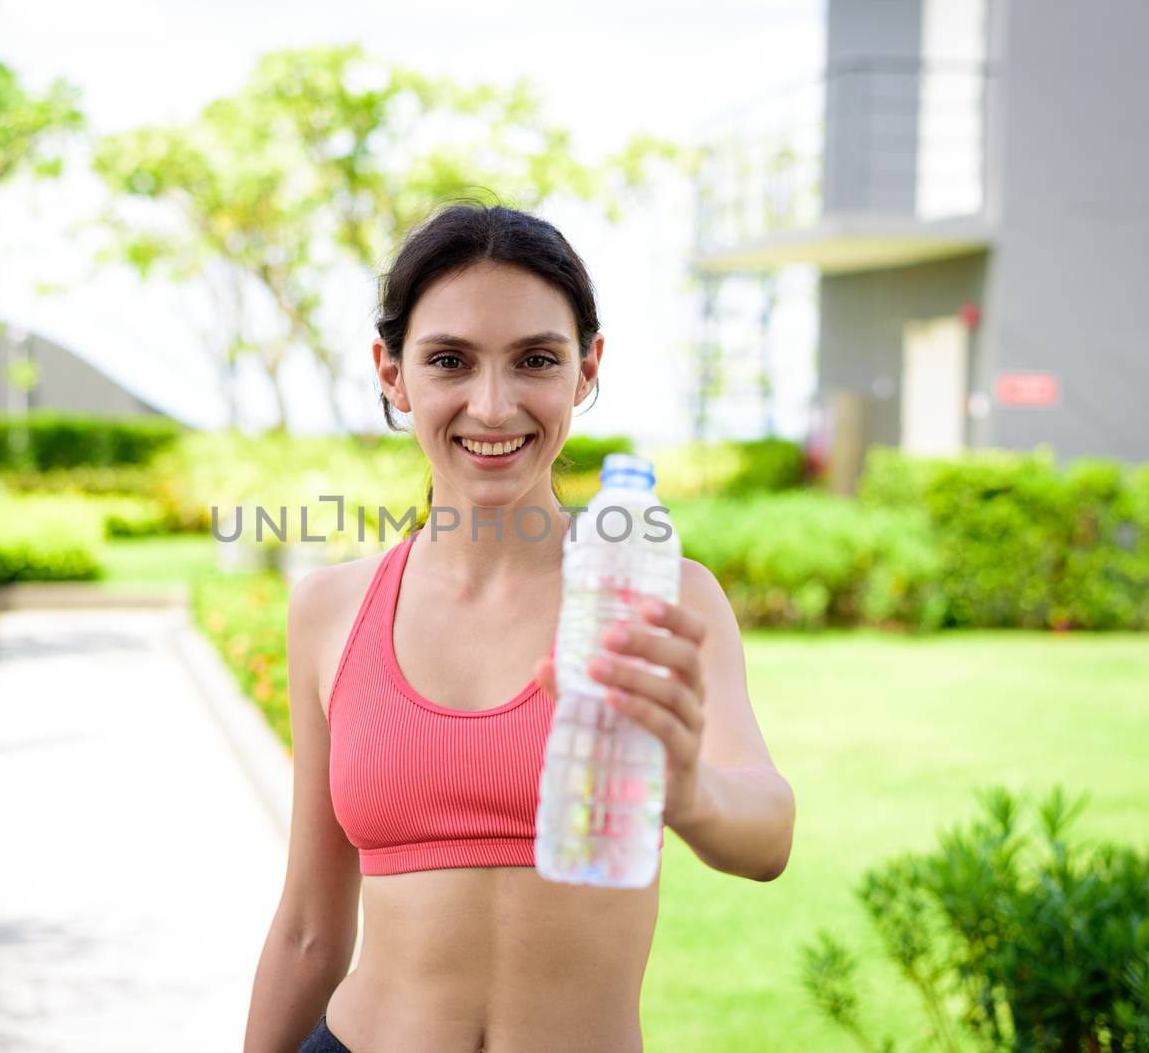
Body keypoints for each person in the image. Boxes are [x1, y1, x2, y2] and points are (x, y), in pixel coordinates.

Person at [243, 202, 795, 1053]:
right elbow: (311, 927)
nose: (493, 407)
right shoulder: (332, 609)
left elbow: (767, 837)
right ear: (393, 374)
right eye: (449, 361)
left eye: (535, 359)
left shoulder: (668, 598)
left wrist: (689, 792)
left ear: (586, 368)